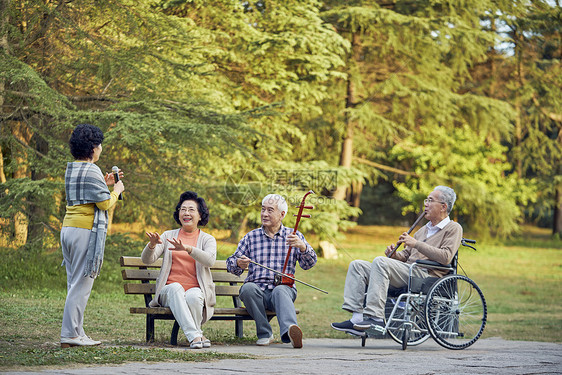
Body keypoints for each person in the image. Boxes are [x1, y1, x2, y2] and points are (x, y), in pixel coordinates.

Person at [331, 186, 463, 335]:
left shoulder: (453, 228)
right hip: (408, 271)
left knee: (381, 262)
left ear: (443, 207)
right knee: (357, 265)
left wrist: (416, 243)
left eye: (430, 201)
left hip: (426, 275)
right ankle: (356, 318)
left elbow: (446, 257)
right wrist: (394, 256)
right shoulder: (423, 230)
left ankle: (376, 317)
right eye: (426, 200)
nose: (425, 204)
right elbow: (406, 255)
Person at [60, 123, 125, 348]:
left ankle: (77, 331)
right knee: (81, 284)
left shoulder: (73, 168)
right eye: (100, 146)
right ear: (93, 148)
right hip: (84, 230)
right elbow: (105, 203)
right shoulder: (92, 170)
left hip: (68, 228)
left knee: (74, 283)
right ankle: (69, 334)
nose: (100, 150)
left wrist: (105, 183)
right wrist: (116, 190)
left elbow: (86, 194)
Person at [226, 194, 317, 348]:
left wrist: (303, 247)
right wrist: (238, 263)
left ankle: (289, 331)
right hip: (257, 293)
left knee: (280, 290)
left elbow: (309, 264)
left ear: (282, 215)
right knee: (247, 288)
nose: (264, 214)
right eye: (263, 210)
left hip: (283, 292)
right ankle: (265, 333)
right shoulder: (251, 237)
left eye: (270, 210)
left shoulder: (294, 236)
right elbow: (231, 264)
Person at [142, 191, 216, 349]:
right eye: (183, 209)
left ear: (200, 215)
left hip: (195, 290)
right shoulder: (169, 235)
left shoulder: (207, 239)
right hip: (168, 292)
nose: (186, 213)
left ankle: (196, 334)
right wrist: (152, 245)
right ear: (178, 213)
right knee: (176, 288)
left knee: (195, 296)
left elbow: (209, 260)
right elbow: (147, 260)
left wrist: (189, 249)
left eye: (191, 210)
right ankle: (195, 336)